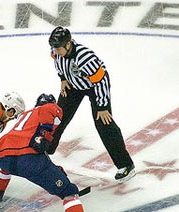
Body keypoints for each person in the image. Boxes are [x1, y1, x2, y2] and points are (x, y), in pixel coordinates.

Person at [0, 93, 107, 212]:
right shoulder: (49, 108)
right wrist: (44, 134)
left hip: (2, 154)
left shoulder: (26, 115)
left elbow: (10, 162)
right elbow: (50, 112)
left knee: (4, 168)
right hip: (28, 157)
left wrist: (51, 167)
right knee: (68, 191)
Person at [47, 26, 135, 183]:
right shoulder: (56, 51)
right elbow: (57, 64)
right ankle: (47, 148)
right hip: (74, 85)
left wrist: (102, 106)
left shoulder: (85, 57)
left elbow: (102, 80)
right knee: (57, 116)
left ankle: (126, 165)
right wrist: (63, 79)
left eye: (58, 47)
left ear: (68, 44)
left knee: (104, 124)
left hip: (95, 87)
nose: (55, 51)